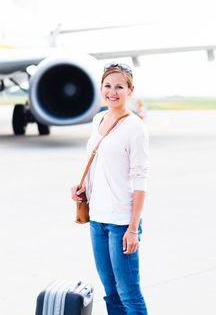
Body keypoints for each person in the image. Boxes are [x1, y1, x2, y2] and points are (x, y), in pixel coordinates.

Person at [71, 62, 149, 314]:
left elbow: (140, 179)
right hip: (97, 219)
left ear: (130, 90)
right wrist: (82, 188)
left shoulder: (135, 128)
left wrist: (133, 228)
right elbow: (99, 162)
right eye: (107, 85)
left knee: (129, 293)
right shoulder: (98, 119)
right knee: (111, 293)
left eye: (119, 87)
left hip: (121, 223)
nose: (112, 92)